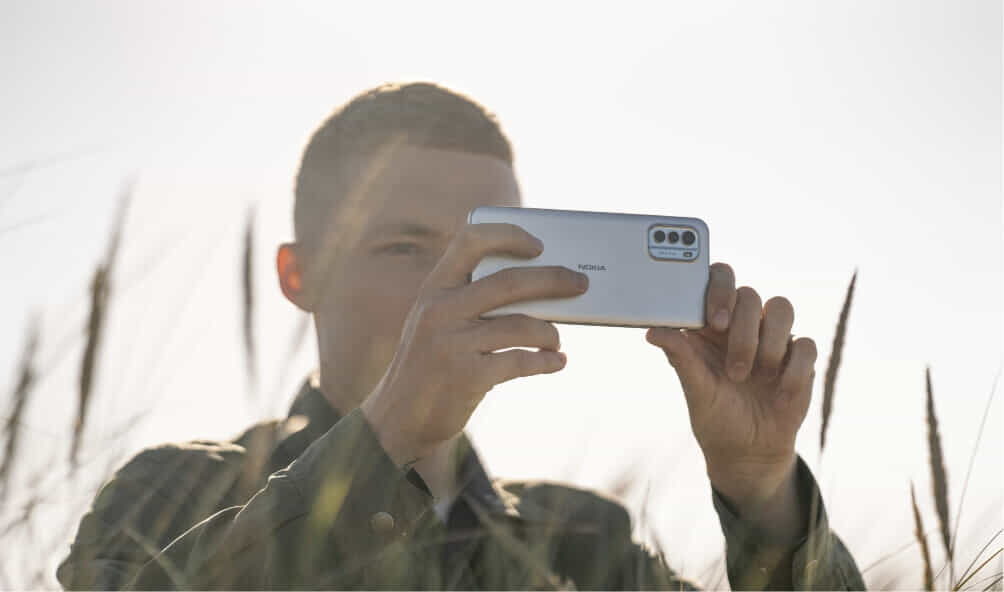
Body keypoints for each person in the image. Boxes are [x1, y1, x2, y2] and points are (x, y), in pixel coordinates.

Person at [56, 82, 866, 590]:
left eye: (487, 251)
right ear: (300, 275)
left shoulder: (583, 542)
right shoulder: (177, 489)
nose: (453, 284)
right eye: (405, 247)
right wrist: (386, 437)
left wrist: (762, 489)